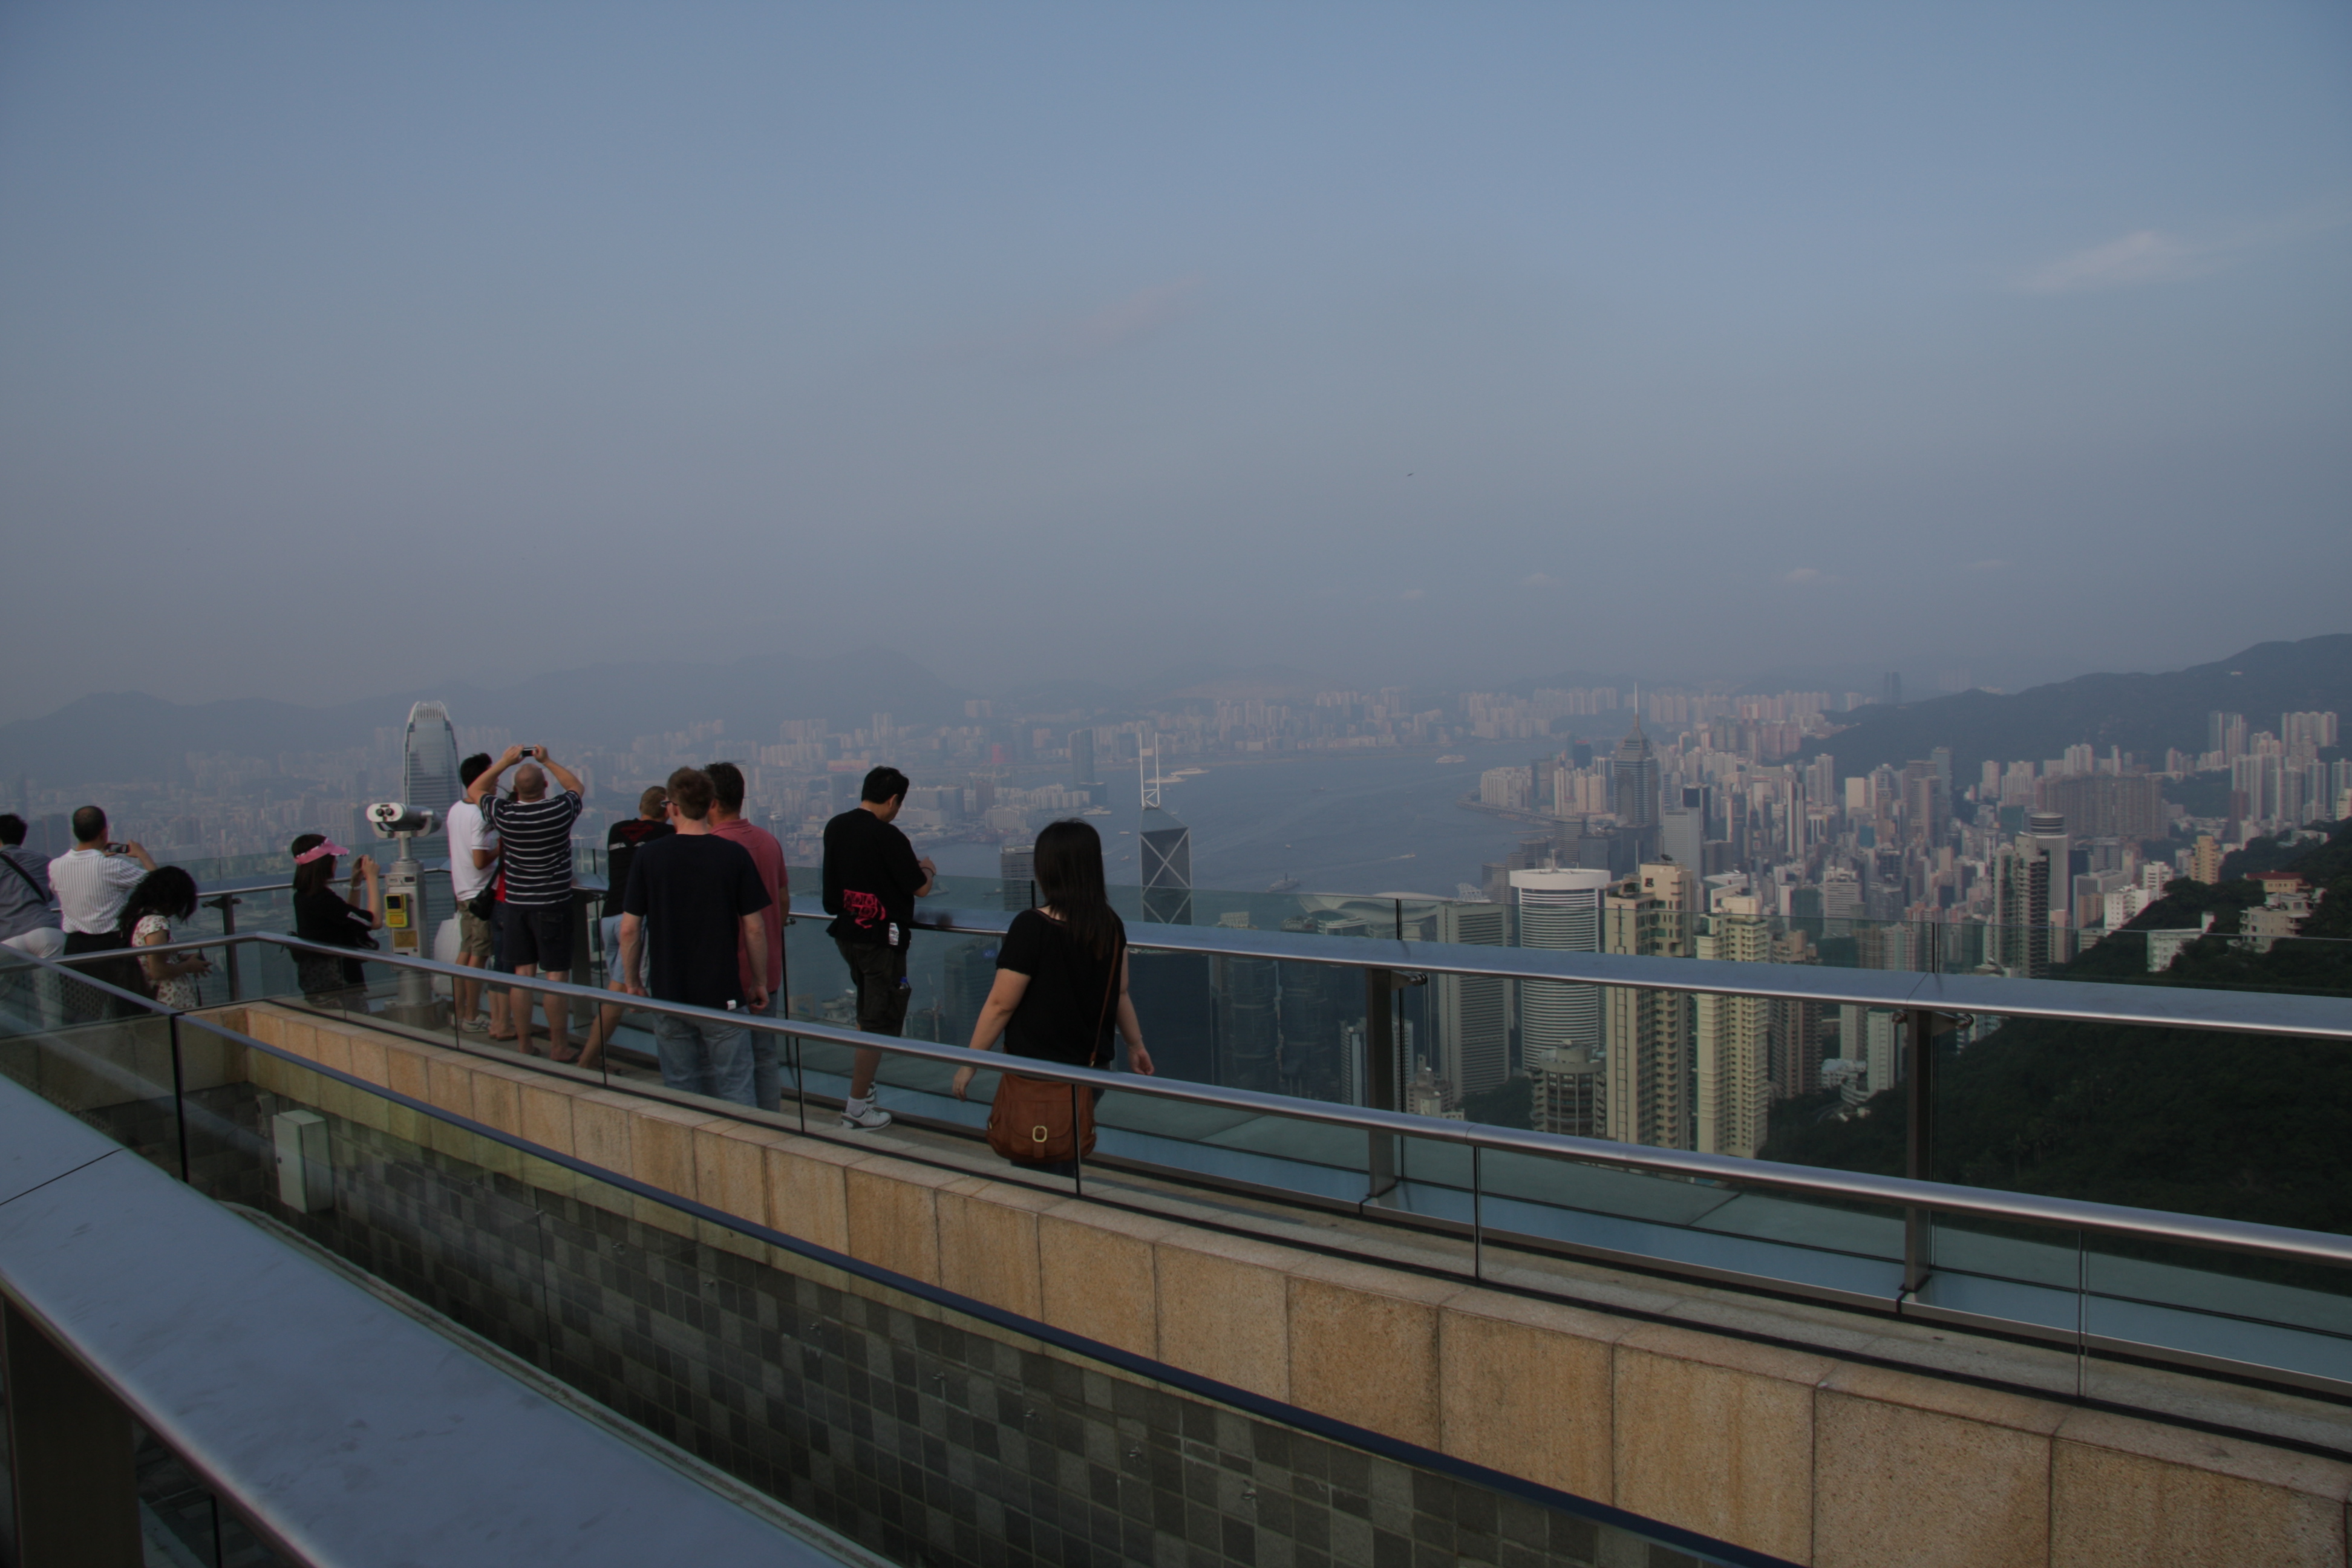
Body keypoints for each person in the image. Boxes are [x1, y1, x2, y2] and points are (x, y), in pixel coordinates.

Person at [952, 819, 1153, 1171]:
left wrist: (970, 1063)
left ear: (1047, 869)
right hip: (1092, 1070)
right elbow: (1119, 992)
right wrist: (1136, 1046)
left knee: (1037, 1164)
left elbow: (1000, 1005)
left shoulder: (1032, 926)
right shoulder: (1109, 924)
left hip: (1037, 1074)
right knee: (1063, 1154)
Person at [618, 768, 771, 1105]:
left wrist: (633, 982)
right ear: (711, 804)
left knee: (681, 1084)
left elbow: (629, 929)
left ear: (672, 807)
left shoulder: (648, 856)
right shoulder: (733, 855)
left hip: (668, 992)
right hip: (723, 993)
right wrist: (759, 981)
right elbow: (755, 927)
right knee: (736, 1085)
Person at [820, 766, 937, 1130]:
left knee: (866, 1012)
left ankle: (864, 1090)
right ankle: (856, 1110)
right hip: (881, 941)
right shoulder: (888, 836)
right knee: (878, 1022)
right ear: (893, 800)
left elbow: (834, 890)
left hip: (847, 934)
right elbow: (920, 888)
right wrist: (928, 870)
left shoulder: (836, 826)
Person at [466, 745, 586, 1059]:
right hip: (554, 903)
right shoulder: (559, 811)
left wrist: (505, 762)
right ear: (545, 785)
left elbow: (475, 790)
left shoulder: (505, 814)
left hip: (516, 906)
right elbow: (576, 786)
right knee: (556, 977)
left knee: (522, 975)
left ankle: (524, 1044)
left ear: (516, 790)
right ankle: (559, 1047)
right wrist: (547, 760)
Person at [706, 761, 787, 1108]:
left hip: (727, 974)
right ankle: (772, 1123)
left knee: (730, 1067)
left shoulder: (711, 848)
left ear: (710, 801)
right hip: (768, 969)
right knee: (765, 1056)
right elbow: (782, 901)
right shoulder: (768, 841)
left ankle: (742, 1130)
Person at [577, 785, 673, 1070]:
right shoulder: (667, 834)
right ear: (668, 810)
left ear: (641, 806)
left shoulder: (616, 830)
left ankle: (592, 1057)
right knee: (617, 995)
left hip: (608, 916)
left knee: (615, 989)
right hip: (634, 921)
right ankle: (587, 1061)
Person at [50, 806, 156, 1014]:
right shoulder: (112, 867)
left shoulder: (55, 866)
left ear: (75, 832)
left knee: (80, 1015)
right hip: (113, 947)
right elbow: (160, 885)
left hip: (75, 949)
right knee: (130, 1013)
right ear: (104, 832)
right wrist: (143, 855)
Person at [445, 753, 503, 1034]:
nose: (497, 782)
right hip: (481, 893)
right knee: (479, 955)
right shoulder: (480, 815)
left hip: (462, 890)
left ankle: (459, 1013)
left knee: (466, 951)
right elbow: (480, 860)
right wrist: (500, 849)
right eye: (493, 776)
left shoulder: (456, 809)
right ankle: (471, 1016)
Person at [290, 834, 383, 1004]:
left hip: (318, 983)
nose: (336, 863)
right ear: (324, 863)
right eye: (333, 858)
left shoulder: (303, 896)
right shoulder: (323, 900)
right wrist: (372, 878)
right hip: (341, 984)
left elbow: (348, 918)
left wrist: (356, 882)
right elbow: (374, 922)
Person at [120, 866, 209, 1010]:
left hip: (153, 1000)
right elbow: (158, 971)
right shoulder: (156, 924)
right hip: (167, 1002)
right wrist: (188, 966)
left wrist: (180, 958)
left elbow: (147, 958)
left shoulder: (136, 917)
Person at [0, 814, 65, 960]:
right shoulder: (43, 860)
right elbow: (50, 894)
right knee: (53, 976)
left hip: (8, 937)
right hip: (47, 932)